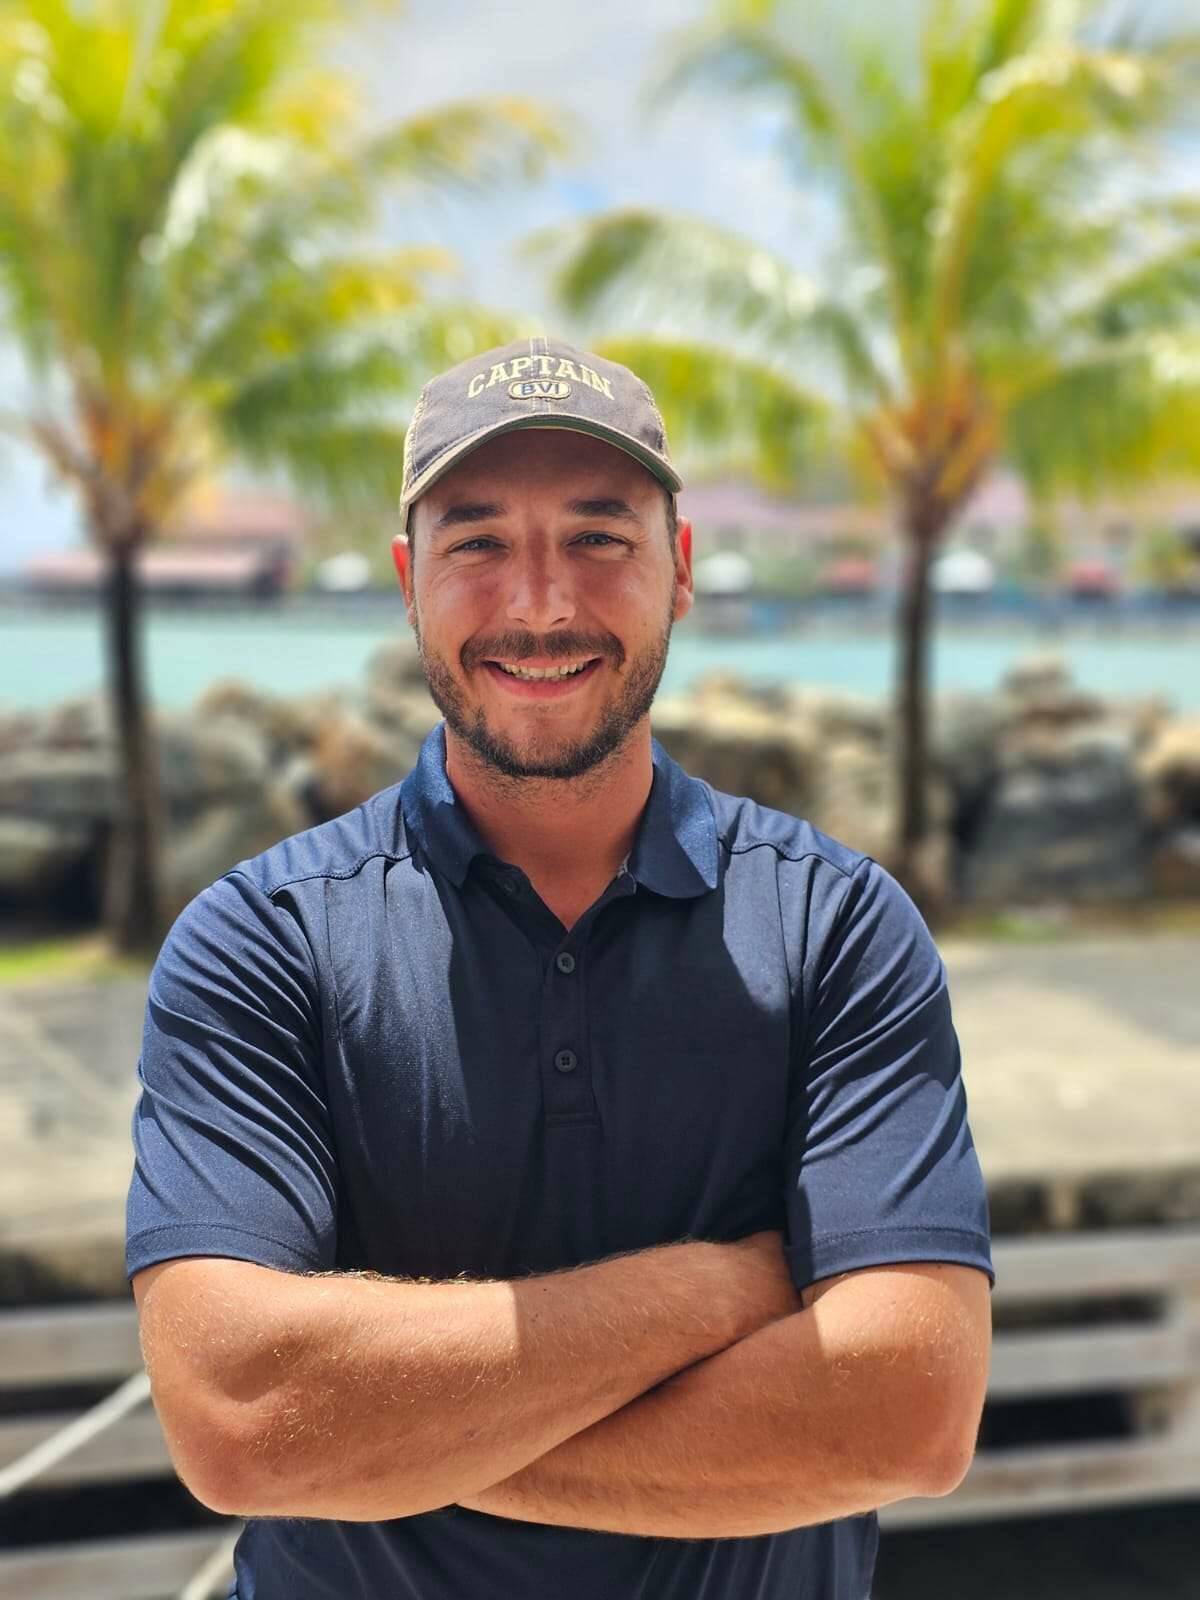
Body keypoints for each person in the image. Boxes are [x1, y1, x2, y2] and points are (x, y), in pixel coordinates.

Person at [127, 337, 994, 1600]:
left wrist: (400, 1442)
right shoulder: (260, 942)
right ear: (409, 581)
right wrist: (721, 1287)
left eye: (598, 538)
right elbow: (241, 1416)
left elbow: (905, 1413)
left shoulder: (838, 929)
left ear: (679, 569)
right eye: (478, 542)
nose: (539, 605)